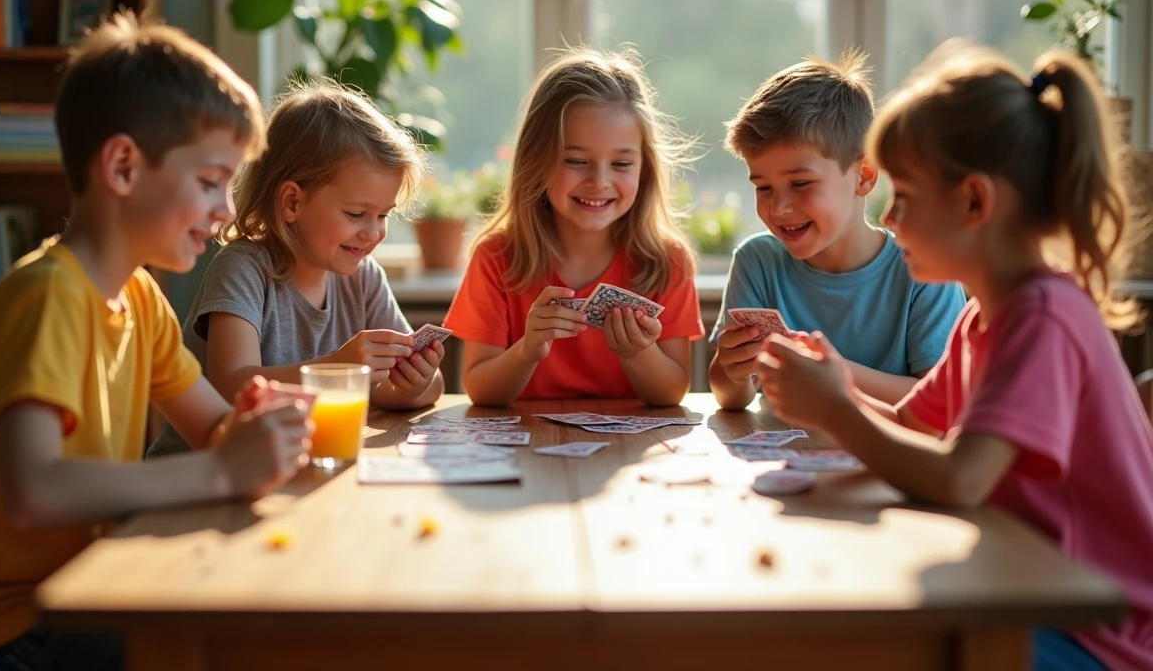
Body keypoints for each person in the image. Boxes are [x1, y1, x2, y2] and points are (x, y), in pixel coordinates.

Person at [754, 43, 1153, 671]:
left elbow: (960, 477)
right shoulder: (982, 316)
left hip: (1097, 629)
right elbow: (913, 428)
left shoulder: (1043, 317)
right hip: (1022, 583)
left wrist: (837, 408)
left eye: (906, 195)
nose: (889, 215)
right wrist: (835, 397)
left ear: (974, 202)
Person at [0, 13, 312, 669]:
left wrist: (254, 426)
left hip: (90, 586)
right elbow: (31, 492)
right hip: (10, 630)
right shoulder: (48, 298)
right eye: (209, 182)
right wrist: (222, 468)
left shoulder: (141, 299)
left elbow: (214, 431)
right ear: (122, 166)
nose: (227, 210)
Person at [148, 78, 440, 456]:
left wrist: (417, 384)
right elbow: (232, 386)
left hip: (288, 468)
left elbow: (409, 390)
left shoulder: (364, 278)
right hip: (199, 480)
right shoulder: (243, 269)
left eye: (384, 214)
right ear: (292, 203)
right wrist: (337, 368)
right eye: (356, 214)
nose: (373, 233)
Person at [445, 48, 704, 405]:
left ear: (645, 169)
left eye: (621, 164)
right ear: (537, 160)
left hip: (629, 454)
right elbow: (480, 389)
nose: (599, 181)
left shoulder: (667, 261)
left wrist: (636, 352)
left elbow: (673, 392)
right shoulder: (496, 257)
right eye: (576, 160)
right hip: (526, 451)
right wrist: (527, 350)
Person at [710, 51, 965, 410]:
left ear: (863, 177)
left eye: (800, 183)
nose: (777, 208)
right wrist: (731, 371)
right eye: (763, 187)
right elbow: (729, 399)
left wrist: (827, 371)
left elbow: (940, 403)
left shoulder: (927, 270)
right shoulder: (757, 261)